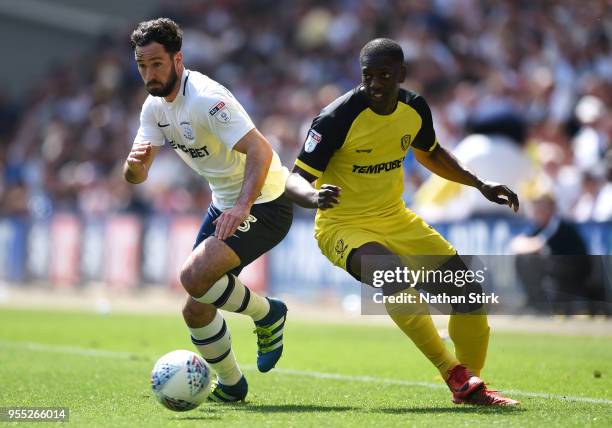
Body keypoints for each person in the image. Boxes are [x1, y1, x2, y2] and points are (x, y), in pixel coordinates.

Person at [285, 38, 520, 406]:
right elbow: (294, 178)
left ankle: (471, 386)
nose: (375, 84)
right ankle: (452, 371)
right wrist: (314, 196)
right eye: (368, 76)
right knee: (390, 274)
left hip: (396, 218)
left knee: (470, 296)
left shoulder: (414, 108)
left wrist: (479, 183)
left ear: (402, 75)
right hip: (342, 227)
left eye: (384, 75)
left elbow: (432, 153)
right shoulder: (336, 117)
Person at [124, 18, 293, 402]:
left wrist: (242, 206)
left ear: (177, 59)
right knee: (195, 311)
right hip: (225, 204)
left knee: (193, 275)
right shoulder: (154, 109)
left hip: (265, 202)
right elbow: (136, 174)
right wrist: (134, 168)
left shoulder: (205, 98)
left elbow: (261, 151)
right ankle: (233, 386)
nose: (149, 74)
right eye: (142, 66)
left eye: (156, 64)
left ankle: (268, 313)